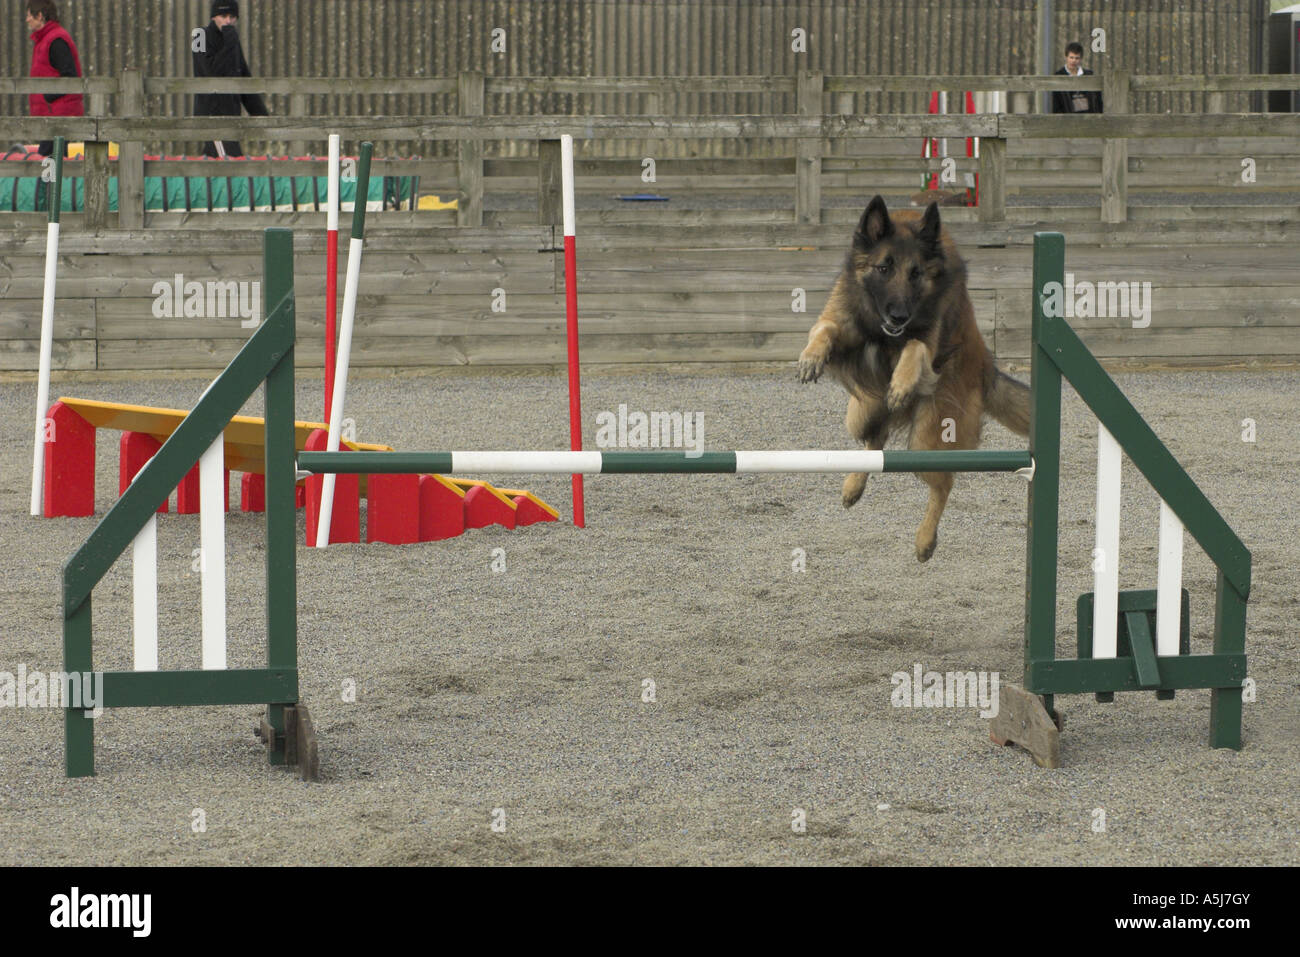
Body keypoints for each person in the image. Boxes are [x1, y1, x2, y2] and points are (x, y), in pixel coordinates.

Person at [193, 1, 269, 158]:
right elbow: (208, 72)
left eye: (232, 17)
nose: (228, 21)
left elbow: (243, 76)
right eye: (223, 16)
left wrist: (261, 116)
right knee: (230, 162)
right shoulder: (198, 35)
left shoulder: (232, 40)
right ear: (214, 17)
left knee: (218, 167)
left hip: (231, 117)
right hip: (211, 117)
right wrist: (229, 45)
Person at [26, 0, 83, 159]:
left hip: (57, 115)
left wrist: (47, 97)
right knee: (50, 162)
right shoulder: (44, 40)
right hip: (51, 114)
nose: (27, 19)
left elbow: (70, 76)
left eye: (29, 15)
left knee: (49, 161)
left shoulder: (56, 40)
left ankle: (54, 184)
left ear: (40, 16)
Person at [1052, 42, 1103, 114]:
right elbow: (1056, 103)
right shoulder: (1059, 76)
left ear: (1081, 59)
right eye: (1071, 57)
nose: (1073, 61)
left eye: (1077, 58)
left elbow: (1097, 101)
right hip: (1068, 118)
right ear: (1066, 57)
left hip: (1088, 117)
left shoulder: (1089, 75)